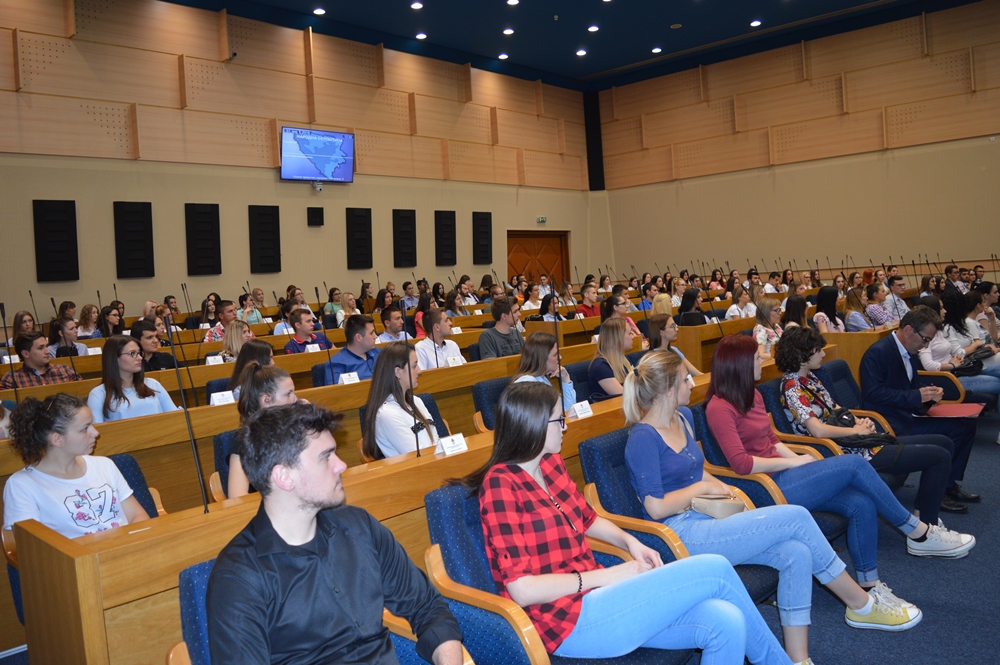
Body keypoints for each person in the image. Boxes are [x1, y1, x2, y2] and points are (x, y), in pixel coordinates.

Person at [453, 381, 791, 664]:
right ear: (533, 425)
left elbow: (588, 519)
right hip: (565, 621)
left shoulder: (550, 464)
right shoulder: (500, 484)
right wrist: (610, 575)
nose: (565, 426)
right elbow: (522, 589)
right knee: (715, 568)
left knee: (726, 621)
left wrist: (632, 543)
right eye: (559, 420)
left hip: (600, 598)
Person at [624, 352, 919, 664]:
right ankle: (859, 603)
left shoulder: (682, 417)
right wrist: (701, 489)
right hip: (680, 533)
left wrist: (724, 489)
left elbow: (696, 470)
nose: (691, 383)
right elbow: (655, 507)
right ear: (668, 388)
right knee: (796, 518)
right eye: (685, 379)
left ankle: (798, 658)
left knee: (797, 552)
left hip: (708, 514)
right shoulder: (643, 437)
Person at [207, 401, 463, 664]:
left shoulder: (359, 526)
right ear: (284, 477)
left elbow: (427, 608)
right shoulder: (238, 577)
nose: (341, 465)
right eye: (325, 457)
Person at [707, 334, 975, 576]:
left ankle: (870, 585)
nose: (762, 360)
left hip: (786, 474)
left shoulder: (752, 395)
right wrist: (794, 461)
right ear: (740, 364)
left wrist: (798, 463)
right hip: (766, 487)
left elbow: (772, 440)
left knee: (861, 503)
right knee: (855, 464)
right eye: (756, 357)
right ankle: (917, 532)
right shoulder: (719, 407)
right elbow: (741, 464)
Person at [779, 325, 969, 518]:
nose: (823, 354)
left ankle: (922, 512)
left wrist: (859, 422)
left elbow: (835, 408)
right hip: (844, 450)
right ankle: (929, 523)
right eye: (818, 350)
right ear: (802, 355)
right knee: (938, 456)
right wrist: (856, 431)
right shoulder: (792, 388)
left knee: (944, 442)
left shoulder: (809, 378)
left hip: (857, 441)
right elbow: (817, 430)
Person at [860, 307, 983, 507]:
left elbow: (907, 385)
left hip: (907, 415)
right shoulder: (878, 352)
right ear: (908, 330)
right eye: (925, 339)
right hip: (889, 423)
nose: (925, 345)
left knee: (966, 424)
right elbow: (873, 394)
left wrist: (928, 393)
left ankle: (946, 486)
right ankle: (938, 493)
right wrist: (917, 396)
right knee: (955, 431)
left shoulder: (909, 350)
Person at [3, 394, 150, 539]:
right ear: (57, 439)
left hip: (124, 548)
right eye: (85, 428)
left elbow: (137, 516)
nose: (95, 433)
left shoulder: (105, 465)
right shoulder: (21, 485)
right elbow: (31, 546)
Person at [917, 295, 1000, 442]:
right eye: (941, 308)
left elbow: (947, 354)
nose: (945, 311)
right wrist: (952, 364)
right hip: (950, 380)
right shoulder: (926, 335)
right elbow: (929, 366)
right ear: (932, 311)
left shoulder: (938, 331)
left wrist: (955, 360)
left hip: (959, 371)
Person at [226, 363, 300, 498]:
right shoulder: (244, 441)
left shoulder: (296, 428)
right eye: (288, 394)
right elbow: (236, 495)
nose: (295, 399)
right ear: (266, 400)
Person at [361, 342, 438, 459]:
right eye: (414, 366)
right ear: (398, 372)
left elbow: (435, 440)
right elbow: (418, 455)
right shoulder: (387, 414)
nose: (419, 371)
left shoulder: (417, 401)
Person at [87, 336, 179, 423]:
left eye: (139, 353)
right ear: (114, 358)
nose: (140, 358)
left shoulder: (153, 384)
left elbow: (176, 416)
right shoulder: (98, 394)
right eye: (132, 353)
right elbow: (97, 430)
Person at [940, 290, 1000, 377]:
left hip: (975, 359)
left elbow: (977, 342)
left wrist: (983, 346)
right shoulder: (948, 328)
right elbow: (958, 354)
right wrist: (975, 345)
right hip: (966, 366)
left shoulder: (960, 324)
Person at [512, 332, 577, 411]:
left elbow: (568, 410)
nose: (560, 357)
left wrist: (565, 378)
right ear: (542, 358)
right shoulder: (526, 384)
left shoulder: (543, 379)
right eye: (555, 354)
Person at [1, 332, 81, 389]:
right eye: (40, 348)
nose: (48, 351)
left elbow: (82, 394)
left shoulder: (65, 370)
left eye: (46, 346)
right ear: (26, 354)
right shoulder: (12, 379)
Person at [323, 315, 380, 385]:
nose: (376, 336)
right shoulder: (336, 364)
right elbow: (335, 391)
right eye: (371, 333)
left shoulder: (380, 353)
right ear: (359, 338)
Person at [587, 318, 634, 400]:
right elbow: (625, 397)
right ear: (618, 338)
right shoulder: (600, 366)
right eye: (630, 333)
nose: (633, 336)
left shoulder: (624, 360)